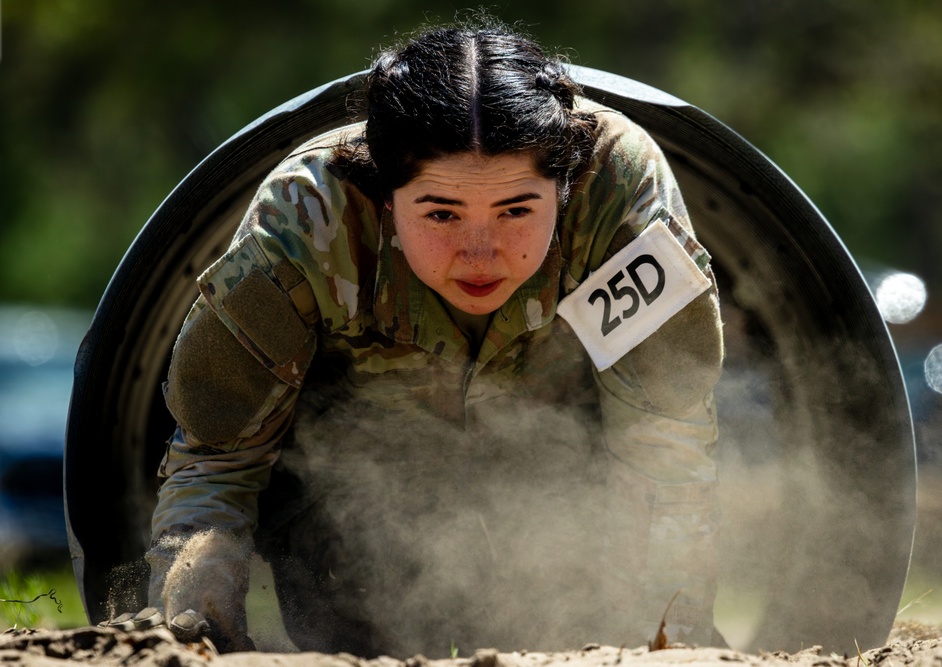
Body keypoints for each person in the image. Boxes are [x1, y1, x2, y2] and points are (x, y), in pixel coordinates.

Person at [108, 22, 724, 656]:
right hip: (355, 504)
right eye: (441, 214)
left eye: (516, 210)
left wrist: (672, 640)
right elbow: (218, 452)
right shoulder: (307, 218)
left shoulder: (617, 193)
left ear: (564, 189)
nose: (479, 252)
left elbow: (665, 442)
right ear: (385, 192)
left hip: (564, 489)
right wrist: (189, 631)